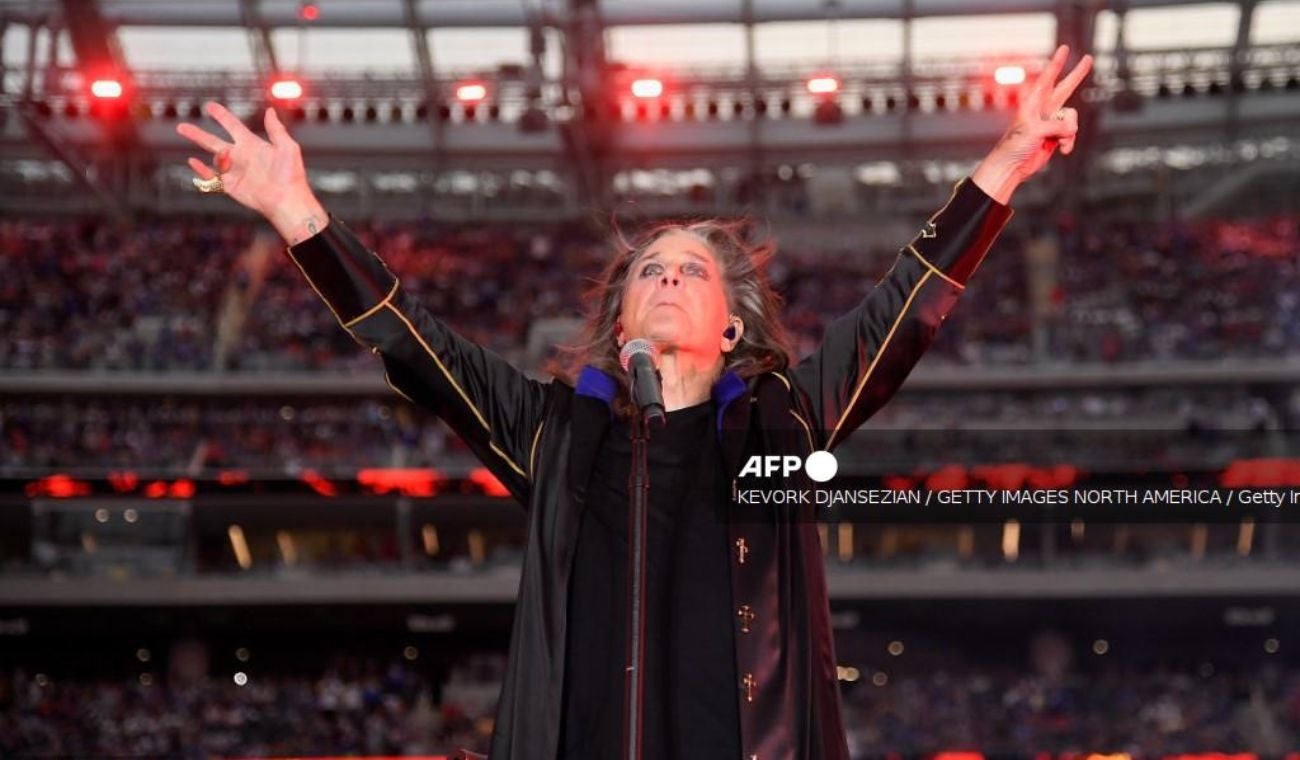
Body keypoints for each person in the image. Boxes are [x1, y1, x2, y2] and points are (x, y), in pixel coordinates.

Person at [178, 45, 1091, 760]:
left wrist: (1003, 170)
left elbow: (907, 307)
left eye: (692, 269)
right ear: (621, 323)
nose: (666, 275)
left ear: (732, 326)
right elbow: (412, 345)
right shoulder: (553, 435)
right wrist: (300, 214)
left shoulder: (785, 423)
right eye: (649, 267)